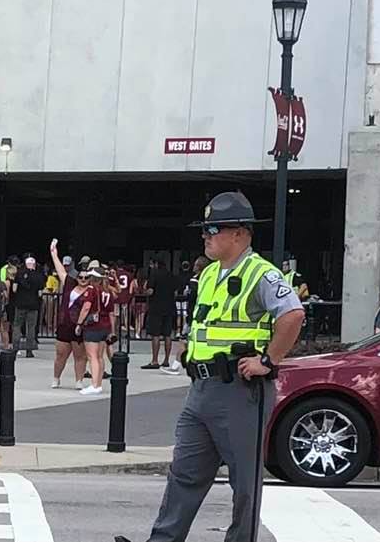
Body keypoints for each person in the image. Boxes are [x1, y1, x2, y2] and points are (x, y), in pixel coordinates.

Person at [116, 191, 305, 542]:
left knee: (244, 481)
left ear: (240, 233)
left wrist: (268, 360)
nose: (205, 236)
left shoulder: (261, 274)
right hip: (202, 388)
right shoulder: (208, 275)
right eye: (204, 229)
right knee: (184, 473)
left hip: (240, 389)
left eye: (213, 229)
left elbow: (293, 314)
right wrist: (191, 348)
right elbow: (206, 323)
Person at [49, 239, 89, 389]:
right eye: (81, 277)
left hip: (80, 326)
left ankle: (79, 380)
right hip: (65, 324)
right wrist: (54, 253)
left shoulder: (91, 290)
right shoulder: (69, 283)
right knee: (61, 355)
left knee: (80, 356)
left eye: (86, 278)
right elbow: (60, 270)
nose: (83, 280)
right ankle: (56, 378)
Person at [162, 255, 208, 376]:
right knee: (196, 342)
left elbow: (191, 296)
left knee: (184, 341)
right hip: (204, 315)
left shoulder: (195, 281)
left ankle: (176, 366)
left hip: (193, 316)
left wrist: (184, 296)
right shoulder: (209, 280)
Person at [75, 263, 114, 395]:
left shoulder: (92, 290)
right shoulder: (108, 291)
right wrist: (112, 330)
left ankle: (94, 385)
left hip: (93, 326)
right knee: (100, 356)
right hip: (105, 325)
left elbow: (86, 307)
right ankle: (99, 383)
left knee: (92, 356)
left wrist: (79, 324)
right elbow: (111, 312)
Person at [141, 259, 176, 370]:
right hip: (169, 307)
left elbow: (150, 291)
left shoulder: (154, 274)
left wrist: (144, 291)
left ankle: (155, 360)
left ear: (156, 264)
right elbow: (175, 291)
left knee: (155, 334)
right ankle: (166, 360)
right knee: (167, 335)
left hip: (156, 307)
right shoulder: (171, 275)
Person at [11, 255, 45, 357]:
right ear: (34, 265)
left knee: (17, 325)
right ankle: (29, 350)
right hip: (33, 304)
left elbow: (14, 289)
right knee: (31, 327)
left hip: (20, 303)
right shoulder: (39, 276)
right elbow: (40, 293)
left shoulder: (19, 274)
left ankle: (15, 348)